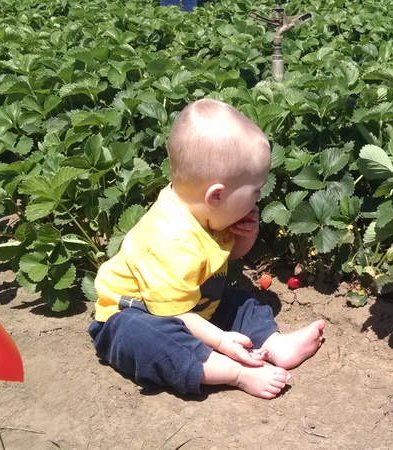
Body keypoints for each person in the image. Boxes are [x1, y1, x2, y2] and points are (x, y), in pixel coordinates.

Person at [88, 99, 326, 399]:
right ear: (217, 195)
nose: (258, 198)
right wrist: (222, 341)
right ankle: (234, 373)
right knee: (149, 340)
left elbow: (232, 255)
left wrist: (247, 235)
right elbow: (178, 315)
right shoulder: (169, 242)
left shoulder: (206, 211)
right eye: (254, 191)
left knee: (238, 301)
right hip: (137, 316)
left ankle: (275, 344)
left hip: (193, 303)